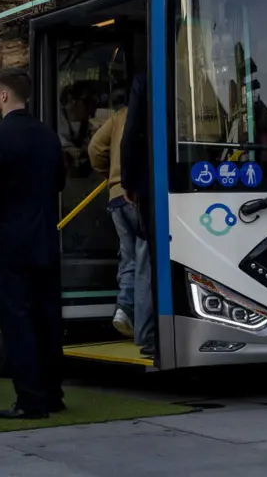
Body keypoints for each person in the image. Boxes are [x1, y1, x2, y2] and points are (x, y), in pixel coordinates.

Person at [0, 67, 66, 420]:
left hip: (11, 238)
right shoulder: (48, 135)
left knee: (18, 318)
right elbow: (58, 181)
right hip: (44, 236)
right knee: (47, 317)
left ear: (5, 94)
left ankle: (30, 399)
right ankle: (53, 393)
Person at [89, 87, 153, 351]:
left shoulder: (118, 116)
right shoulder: (154, 114)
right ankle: (141, 325)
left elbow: (94, 148)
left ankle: (124, 309)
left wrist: (110, 177)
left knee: (129, 257)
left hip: (116, 198)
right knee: (145, 261)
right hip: (136, 195)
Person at [119, 72, 155, 357]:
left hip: (147, 189)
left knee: (141, 259)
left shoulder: (143, 81)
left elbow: (130, 137)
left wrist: (128, 183)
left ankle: (146, 332)